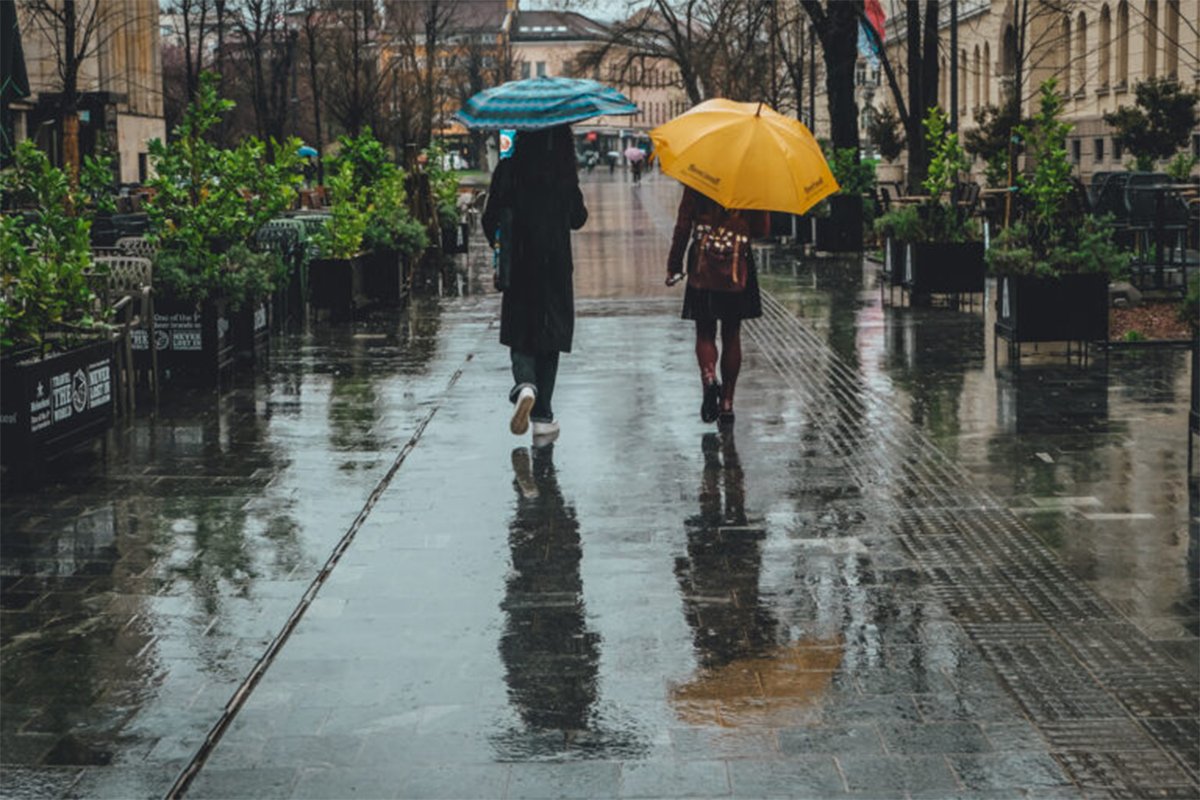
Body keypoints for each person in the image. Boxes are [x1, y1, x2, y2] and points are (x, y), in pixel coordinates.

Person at [483, 125, 588, 441]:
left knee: (521, 330)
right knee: (550, 334)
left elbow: (490, 219)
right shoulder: (563, 172)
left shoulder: (509, 169)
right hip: (555, 265)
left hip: (519, 262)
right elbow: (578, 218)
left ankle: (525, 383)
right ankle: (543, 416)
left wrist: (500, 246)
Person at [666, 187, 769, 427]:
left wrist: (674, 264)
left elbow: (682, 225)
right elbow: (762, 229)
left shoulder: (698, 176)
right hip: (737, 265)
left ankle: (709, 377)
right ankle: (727, 403)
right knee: (732, 333)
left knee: (704, 331)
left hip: (702, 263)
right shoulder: (751, 180)